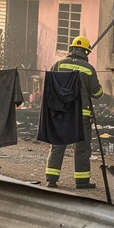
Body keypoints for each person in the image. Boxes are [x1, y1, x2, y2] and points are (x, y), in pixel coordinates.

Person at [45, 35, 104, 189]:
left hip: (61, 113)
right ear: (86, 52)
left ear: (71, 49)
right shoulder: (88, 69)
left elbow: (50, 87)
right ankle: (82, 181)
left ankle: (51, 179)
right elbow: (97, 93)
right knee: (82, 149)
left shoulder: (58, 65)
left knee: (57, 146)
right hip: (81, 116)